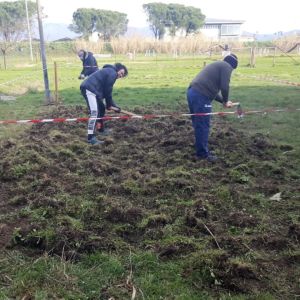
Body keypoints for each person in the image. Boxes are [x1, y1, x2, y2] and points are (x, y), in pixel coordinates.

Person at [187, 53, 238, 162]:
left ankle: (200, 147)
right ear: (233, 66)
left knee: (198, 123)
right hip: (201, 96)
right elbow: (225, 86)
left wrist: (223, 102)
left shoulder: (217, 65)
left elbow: (212, 91)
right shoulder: (226, 66)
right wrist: (225, 101)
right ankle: (202, 154)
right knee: (203, 125)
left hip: (192, 92)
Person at [80, 63, 128, 145]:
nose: (120, 75)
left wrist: (114, 106)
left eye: (122, 75)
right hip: (89, 89)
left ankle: (101, 129)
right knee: (94, 112)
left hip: (93, 90)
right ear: (118, 69)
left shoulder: (109, 71)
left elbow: (107, 93)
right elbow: (108, 92)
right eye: (121, 73)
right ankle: (90, 138)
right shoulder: (112, 73)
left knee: (101, 108)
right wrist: (110, 105)